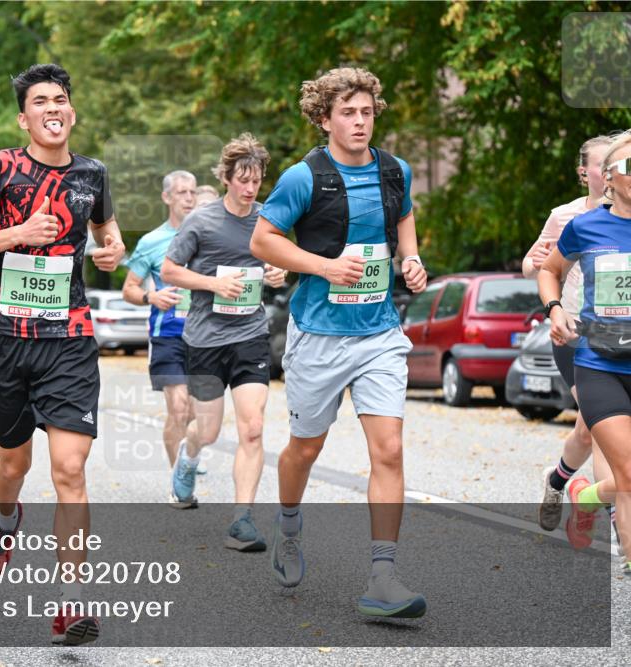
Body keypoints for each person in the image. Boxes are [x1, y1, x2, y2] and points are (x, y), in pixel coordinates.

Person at [0, 63, 124, 646]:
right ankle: (5, 519)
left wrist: (111, 251)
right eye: (41, 101)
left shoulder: (93, 173)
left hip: (68, 339)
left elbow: (108, 233)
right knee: (13, 466)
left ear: (72, 112)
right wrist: (17, 235)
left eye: (61, 99)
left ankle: (72, 602)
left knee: (70, 469)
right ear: (24, 119)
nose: (53, 107)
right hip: (3, 338)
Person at [250, 67, 428, 617]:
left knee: (389, 449)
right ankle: (288, 524)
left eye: (366, 112)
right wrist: (325, 266)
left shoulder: (395, 171)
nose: (359, 121)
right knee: (305, 448)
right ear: (324, 119)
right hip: (318, 335)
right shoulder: (303, 177)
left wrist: (411, 259)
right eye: (347, 112)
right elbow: (263, 241)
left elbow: (405, 220)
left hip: (379, 333)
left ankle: (383, 577)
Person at [160, 134, 287, 552]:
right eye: (243, 180)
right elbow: (170, 271)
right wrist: (213, 283)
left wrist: (277, 272)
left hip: (250, 335)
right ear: (227, 178)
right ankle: (189, 455)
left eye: (257, 181)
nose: (250, 188)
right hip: (206, 340)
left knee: (253, 428)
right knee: (209, 430)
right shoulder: (202, 221)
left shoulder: (268, 219)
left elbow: (280, 262)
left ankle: (242, 520)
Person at [539, 130, 631, 577]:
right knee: (626, 470)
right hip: (598, 361)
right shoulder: (583, 224)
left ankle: (586, 495)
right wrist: (555, 309)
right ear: (609, 177)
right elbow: (547, 269)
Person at [522, 135, 618, 537]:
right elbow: (534, 264)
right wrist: (538, 265)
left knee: (586, 429)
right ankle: (618, 523)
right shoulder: (566, 217)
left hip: (620, 336)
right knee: (602, 430)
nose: (610, 171)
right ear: (585, 172)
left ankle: (559, 480)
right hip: (574, 334)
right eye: (601, 164)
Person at [123, 170, 197, 467]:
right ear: (167, 197)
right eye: (182, 192)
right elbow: (129, 288)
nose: (189, 198)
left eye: (192, 192)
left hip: (204, 335)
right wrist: (151, 297)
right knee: (179, 408)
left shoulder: (210, 235)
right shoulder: (152, 241)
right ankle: (179, 477)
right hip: (167, 335)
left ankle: (189, 453)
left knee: (195, 413)